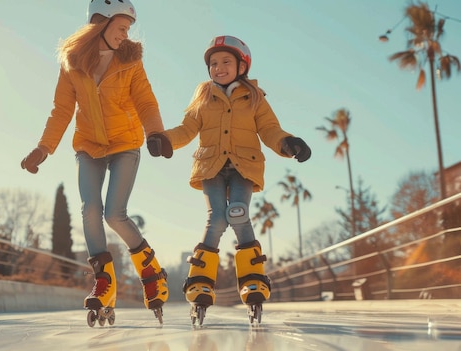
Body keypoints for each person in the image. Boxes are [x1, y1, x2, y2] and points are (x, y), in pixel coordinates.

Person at [20, 0, 171, 325]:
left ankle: (151, 270)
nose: (125, 34)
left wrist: (155, 133)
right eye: (121, 27)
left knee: (114, 214)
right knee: (90, 209)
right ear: (101, 22)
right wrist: (44, 148)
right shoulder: (72, 62)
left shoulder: (130, 60)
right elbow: (62, 110)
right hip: (88, 145)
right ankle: (104, 281)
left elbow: (145, 99)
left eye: (128, 29)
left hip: (125, 144)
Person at [147, 35, 311, 324]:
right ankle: (200, 281)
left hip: (243, 166)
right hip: (210, 165)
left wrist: (289, 143)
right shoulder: (203, 96)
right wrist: (164, 140)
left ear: (241, 66)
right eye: (213, 63)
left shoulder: (255, 98)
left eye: (225, 62)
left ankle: (253, 279)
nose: (218, 67)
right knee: (216, 219)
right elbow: (187, 128)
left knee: (238, 213)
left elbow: (270, 129)